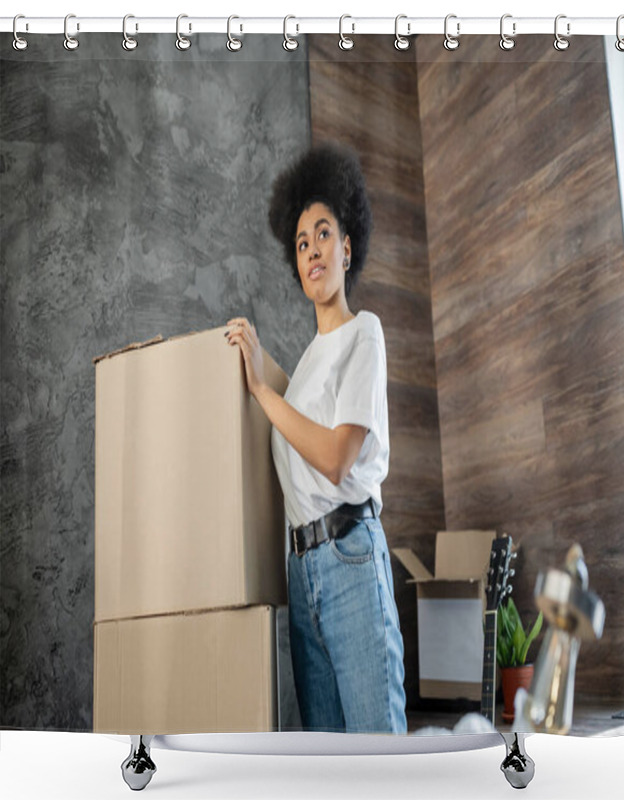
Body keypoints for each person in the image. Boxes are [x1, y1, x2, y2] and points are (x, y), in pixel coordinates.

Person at [225, 143, 407, 734]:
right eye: (301, 244)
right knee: (328, 769)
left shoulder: (364, 334)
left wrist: (260, 389)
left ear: (347, 247)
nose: (312, 252)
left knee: (380, 764)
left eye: (322, 234)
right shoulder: (302, 368)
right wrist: (253, 356)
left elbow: (334, 457)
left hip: (351, 557)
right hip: (302, 577)